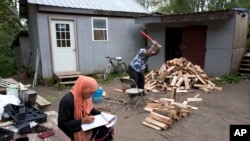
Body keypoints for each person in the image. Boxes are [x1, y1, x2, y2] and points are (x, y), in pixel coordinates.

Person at [58, 75, 114, 141]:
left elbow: (91, 110)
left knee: (106, 126)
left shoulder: (85, 97)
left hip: (84, 125)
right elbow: (62, 124)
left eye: (92, 94)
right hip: (73, 130)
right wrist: (82, 121)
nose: (90, 96)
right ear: (83, 88)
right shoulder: (67, 101)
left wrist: (103, 115)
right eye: (89, 93)